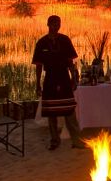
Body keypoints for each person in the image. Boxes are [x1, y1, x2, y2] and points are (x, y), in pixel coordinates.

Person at [33, 15, 83, 150]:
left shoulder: (65, 40)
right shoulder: (42, 43)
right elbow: (38, 65)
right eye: (53, 24)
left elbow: (70, 62)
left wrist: (74, 77)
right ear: (48, 24)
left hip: (64, 77)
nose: (56, 26)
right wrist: (37, 84)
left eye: (58, 24)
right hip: (50, 78)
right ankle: (54, 140)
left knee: (70, 111)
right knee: (51, 112)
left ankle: (77, 141)